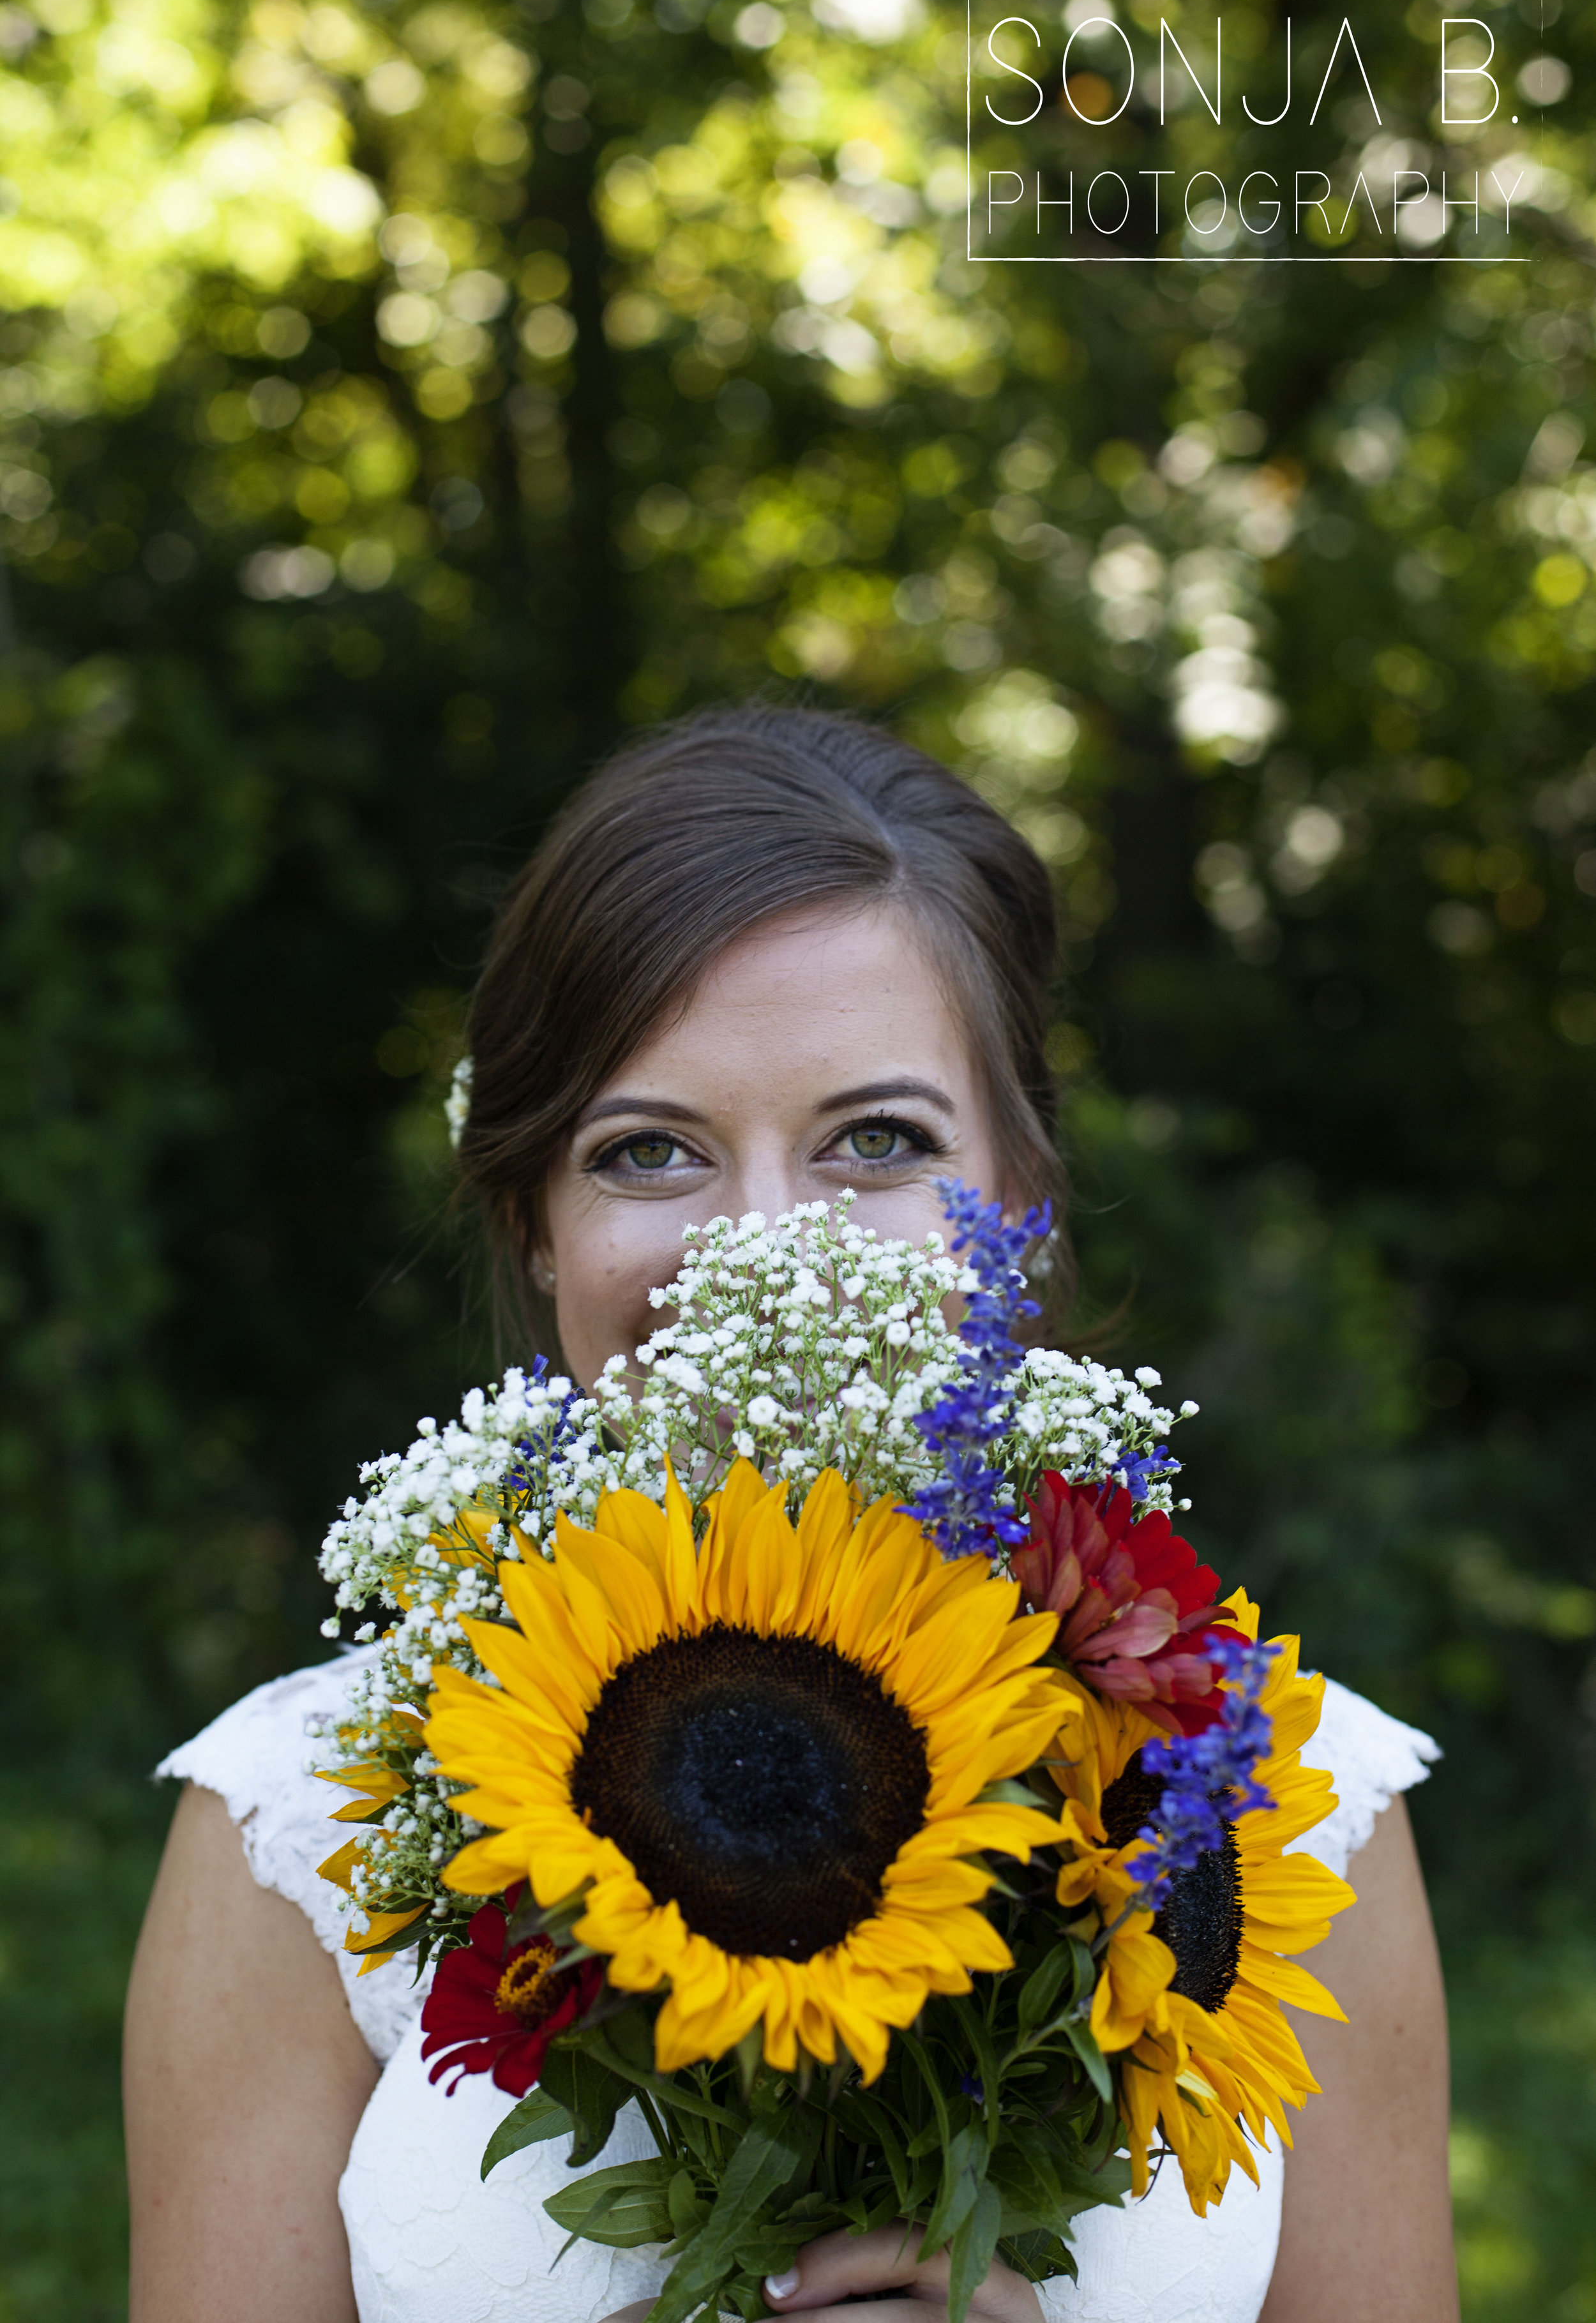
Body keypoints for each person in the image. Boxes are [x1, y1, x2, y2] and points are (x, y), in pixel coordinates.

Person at [124, 709, 1459, 2323]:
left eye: (875, 1141)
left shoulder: (1279, 1807)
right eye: (647, 1150)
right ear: (535, 1223)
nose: (763, 1244)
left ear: (1018, 1200)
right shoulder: (296, 1832)